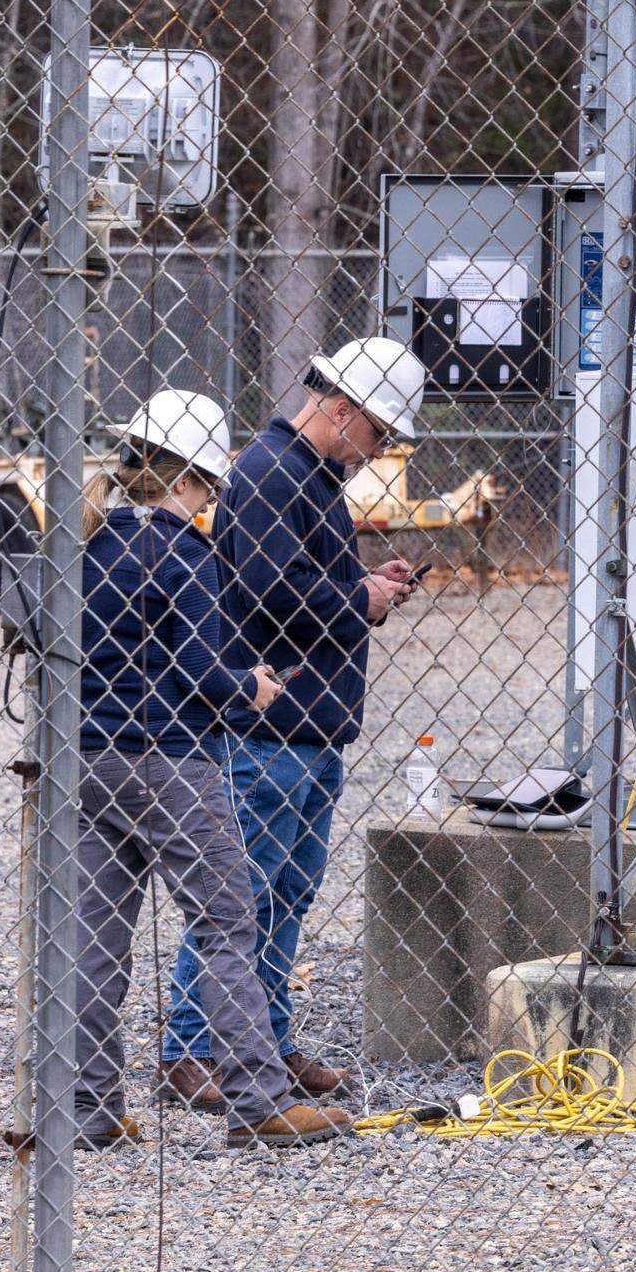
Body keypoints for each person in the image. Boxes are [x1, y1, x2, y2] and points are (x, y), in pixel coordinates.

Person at [75, 389, 354, 1150]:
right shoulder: (184, 553)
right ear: (192, 480)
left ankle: (89, 1107)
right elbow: (201, 670)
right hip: (170, 761)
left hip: (89, 758)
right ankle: (259, 1100)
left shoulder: (92, 542)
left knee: (96, 939)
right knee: (229, 919)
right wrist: (252, 688)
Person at [160, 339, 425, 1111]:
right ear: (341, 410)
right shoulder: (275, 474)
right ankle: (192, 1049)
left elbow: (294, 579)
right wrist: (359, 602)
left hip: (306, 728)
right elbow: (271, 590)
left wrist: (363, 583)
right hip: (270, 729)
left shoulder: (303, 475)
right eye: (378, 433)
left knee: (283, 895)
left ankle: (263, 1041)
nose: (379, 451)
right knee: (240, 895)